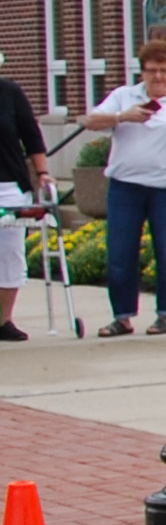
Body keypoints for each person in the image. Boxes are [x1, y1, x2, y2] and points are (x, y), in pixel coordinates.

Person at [83, 33, 166, 337]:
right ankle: (123, 316)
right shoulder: (124, 96)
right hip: (126, 186)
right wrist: (121, 116)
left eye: (164, 70)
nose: (158, 76)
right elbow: (90, 121)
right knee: (120, 253)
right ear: (141, 71)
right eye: (152, 70)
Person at [0, 64, 48, 343]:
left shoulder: (10, 93)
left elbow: (31, 137)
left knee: (10, 254)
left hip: (9, 187)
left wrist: (42, 173)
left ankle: (3, 320)